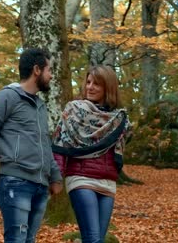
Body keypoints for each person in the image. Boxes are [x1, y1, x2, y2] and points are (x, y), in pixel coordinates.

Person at [0, 48, 63, 243]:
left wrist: (55, 176)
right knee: (16, 239)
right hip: (16, 183)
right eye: (49, 70)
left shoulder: (40, 106)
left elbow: (44, 144)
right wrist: (8, 154)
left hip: (40, 186)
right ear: (36, 70)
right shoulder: (6, 97)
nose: (51, 75)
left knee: (29, 240)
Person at [52, 65, 130, 243]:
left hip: (107, 182)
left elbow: (120, 148)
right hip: (81, 178)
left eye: (96, 84)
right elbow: (60, 145)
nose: (90, 87)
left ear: (108, 88)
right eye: (88, 82)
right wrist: (56, 179)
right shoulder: (73, 110)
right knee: (93, 239)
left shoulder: (118, 118)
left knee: (97, 239)